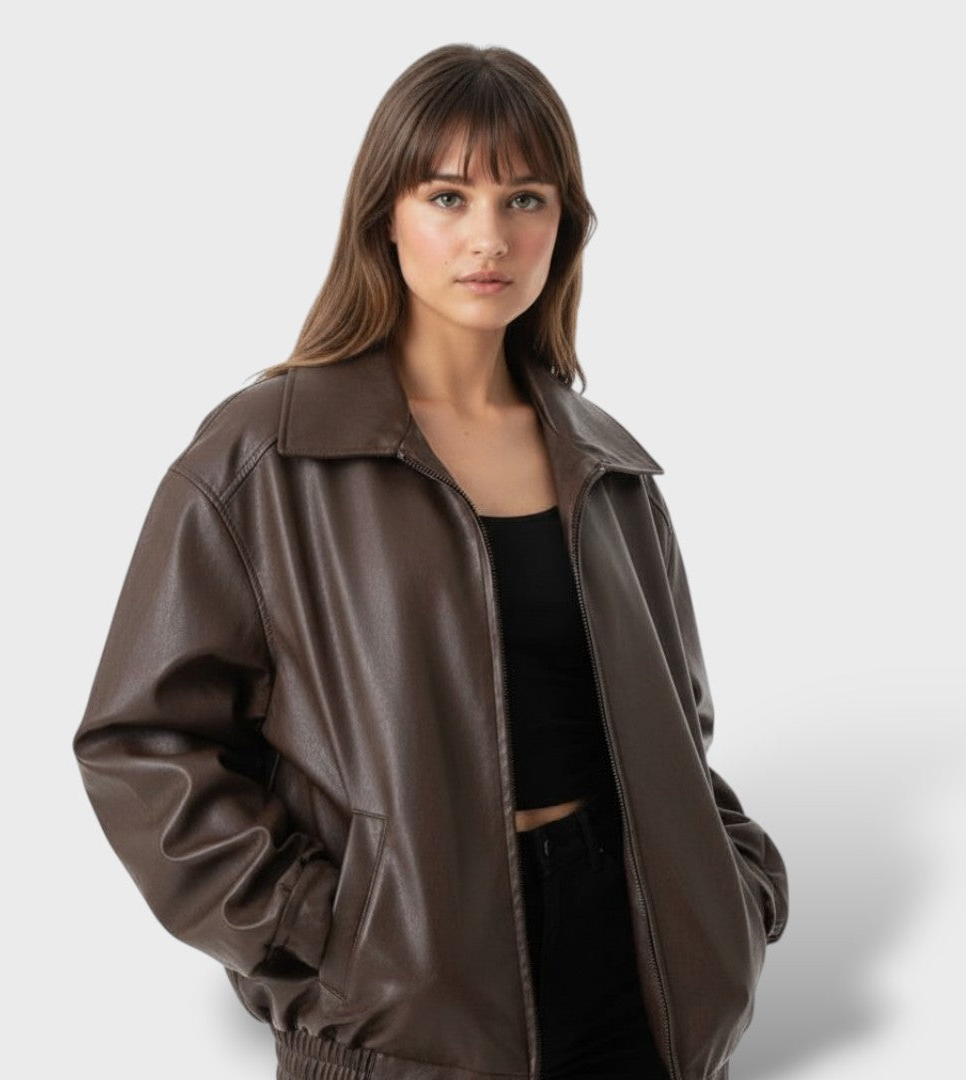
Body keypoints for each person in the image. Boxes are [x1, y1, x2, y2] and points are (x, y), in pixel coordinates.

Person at [73, 43, 789, 1080]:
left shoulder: (609, 469)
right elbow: (141, 740)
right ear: (385, 217)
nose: (489, 237)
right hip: (411, 1001)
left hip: (637, 982)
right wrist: (319, 924)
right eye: (448, 196)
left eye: (525, 199)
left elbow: (678, 733)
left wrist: (736, 887)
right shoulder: (268, 456)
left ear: (564, 226)